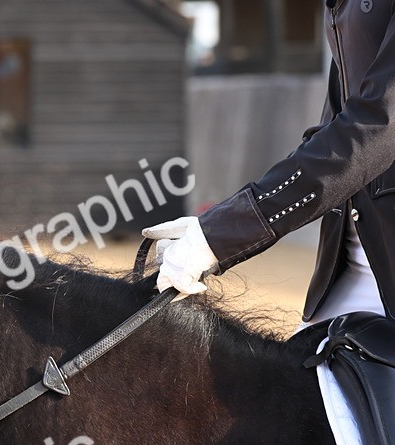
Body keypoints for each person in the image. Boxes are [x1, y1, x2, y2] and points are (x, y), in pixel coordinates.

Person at [144, 0, 394, 325]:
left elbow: (378, 125)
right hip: (349, 276)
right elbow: (333, 130)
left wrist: (219, 235)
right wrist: (215, 225)